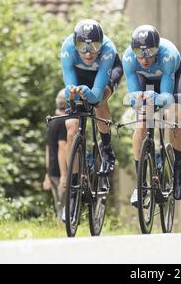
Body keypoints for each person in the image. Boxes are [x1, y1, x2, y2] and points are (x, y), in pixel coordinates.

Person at [122, 25, 181, 204]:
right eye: (139, 52)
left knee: (175, 117)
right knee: (142, 122)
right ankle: (140, 183)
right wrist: (139, 100)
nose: (144, 58)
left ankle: (179, 166)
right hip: (145, 82)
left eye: (150, 52)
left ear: (157, 50)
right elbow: (134, 94)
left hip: (172, 81)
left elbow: (166, 96)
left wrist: (158, 99)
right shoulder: (128, 58)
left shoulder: (168, 55)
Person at [61, 19, 123, 177]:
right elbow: (69, 90)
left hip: (103, 74)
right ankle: (73, 182)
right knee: (71, 129)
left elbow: (95, 96)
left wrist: (91, 96)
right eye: (82, 47)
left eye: (95, 47)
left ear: (101, 44)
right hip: (80, 76)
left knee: (100, 102)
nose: (88, 53)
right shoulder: (67, 47)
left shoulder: (108, 49)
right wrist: (73, 96)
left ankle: (107, 149)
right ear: (75, 44)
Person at [43, 89, 67, 220]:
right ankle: (64, 235)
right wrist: (64, 175)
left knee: (59, 207)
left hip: (52, 170)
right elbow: (62, 148)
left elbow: (48, 148)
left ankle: (60, 232)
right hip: (60, 171)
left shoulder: (52, 121)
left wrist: (47, 173)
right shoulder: (63, 121)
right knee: (64, 208)